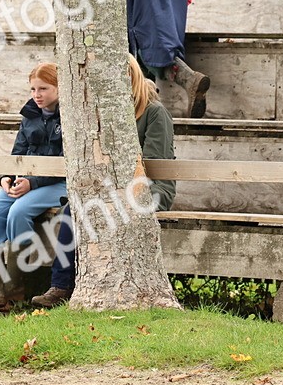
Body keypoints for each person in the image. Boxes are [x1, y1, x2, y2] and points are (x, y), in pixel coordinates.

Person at [31, 54, 176, 308]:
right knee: (71, 211)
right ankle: (61, 285)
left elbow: (154, 164)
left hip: (151, 189)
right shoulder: (107, 112)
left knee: (104, 209)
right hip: (112, 189)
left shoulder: (154, 112)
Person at [0, 63, 67, 310]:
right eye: (33, 89)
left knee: (19, 212)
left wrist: (32, 183)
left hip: (58, 183)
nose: (37, 94)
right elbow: (17, 152)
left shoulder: (70, 116)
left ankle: (13, 288)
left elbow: (66, 161)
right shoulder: (29, 114)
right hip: (26, 181)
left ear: (60, 88)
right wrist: (6, 178)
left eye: (44, 88)